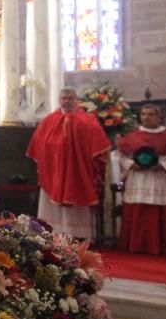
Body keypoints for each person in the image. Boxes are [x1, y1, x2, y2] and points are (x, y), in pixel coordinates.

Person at [26, 87, 110, 239]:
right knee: (51, 208)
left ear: (76, 101)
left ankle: (79, 234)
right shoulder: (49, 120)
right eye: (64, 98)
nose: (67, 101)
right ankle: (51, 233)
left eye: (70, 98)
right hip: (54, 171)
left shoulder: (88, 121)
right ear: (59, 101)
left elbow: (98, 146)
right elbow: (38, 143)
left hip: (78, 172)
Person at [116, 104, 166, 255]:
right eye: (143, 114)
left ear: (159, 117)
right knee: (138, 210)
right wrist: (131, 164)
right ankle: (136, 245)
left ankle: (164, 247)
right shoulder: (132, 136)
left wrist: (163, 166)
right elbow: (120, 156)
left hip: (160, 178)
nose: (146, 117)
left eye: (150, 114)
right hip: (138, 179)